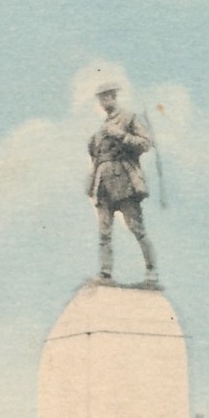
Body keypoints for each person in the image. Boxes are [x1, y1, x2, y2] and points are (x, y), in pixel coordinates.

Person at [87, 81, 158, 284]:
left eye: (105, 97)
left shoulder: (128, 118)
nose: (102, 102)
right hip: (102, 184)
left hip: (124, 182)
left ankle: (152, 272)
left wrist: (121, 136)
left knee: (136, 228)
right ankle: (105, 272)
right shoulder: (101, 128)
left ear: (113, 97)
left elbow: (146, 143)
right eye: (100, 98)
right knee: (104, 232)